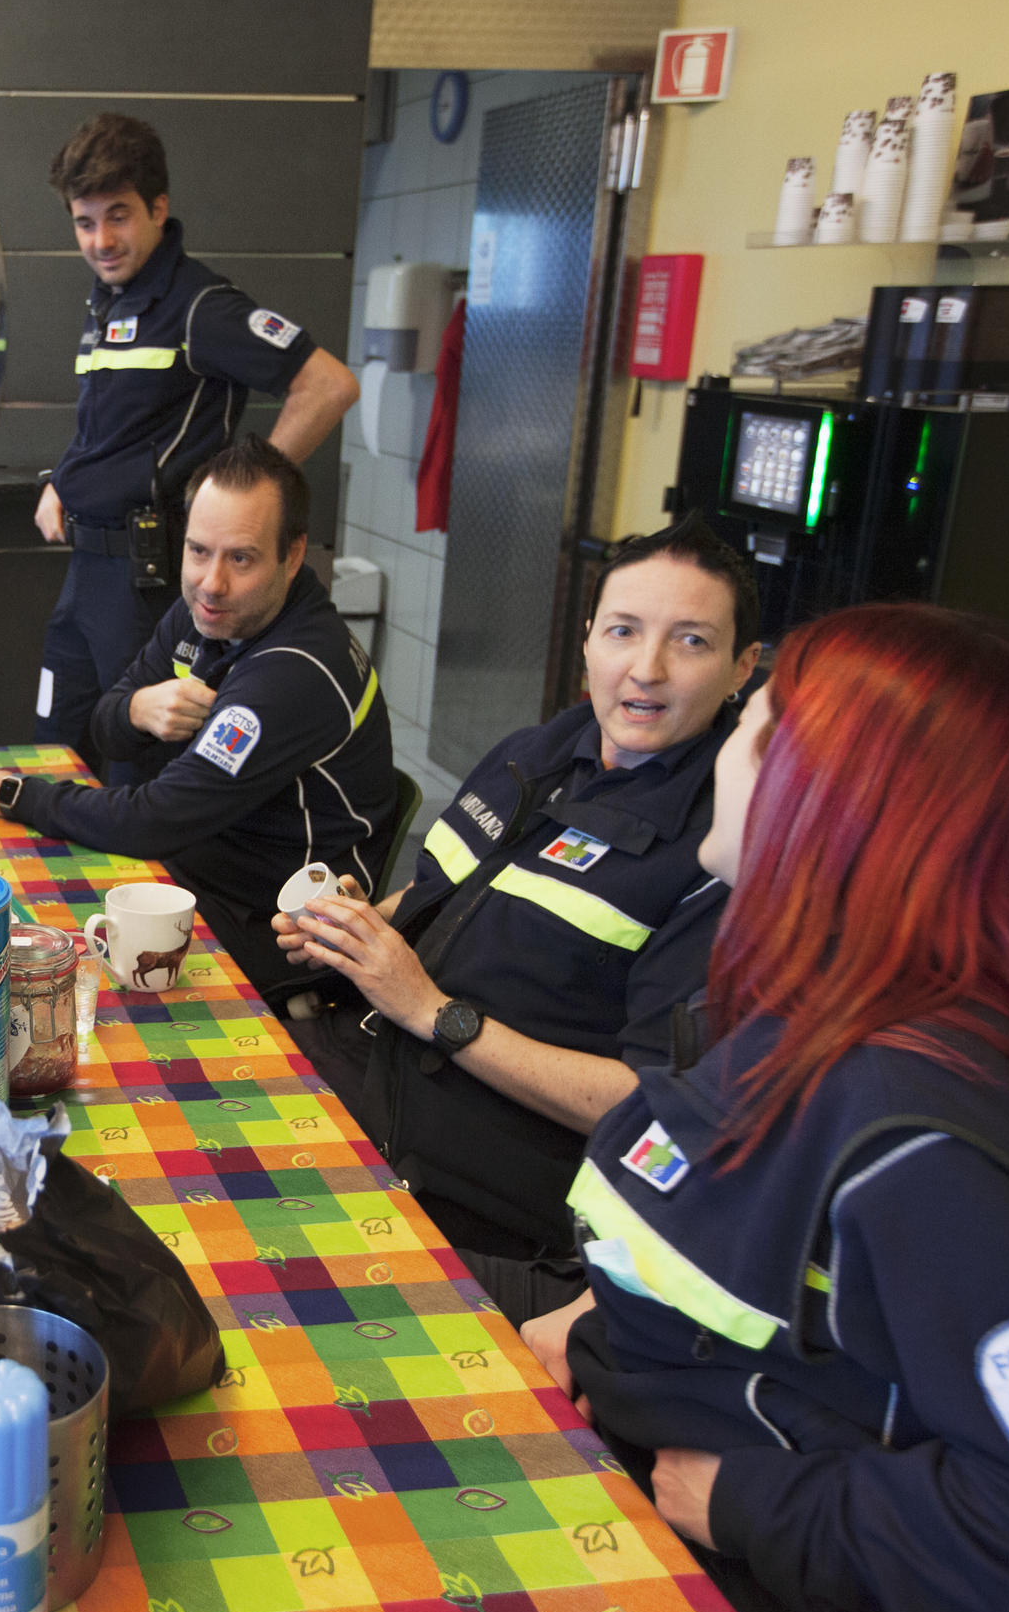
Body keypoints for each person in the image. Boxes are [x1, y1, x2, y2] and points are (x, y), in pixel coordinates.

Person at [518, 604, 1009, 1612]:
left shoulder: (928, 1148)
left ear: (821, 793)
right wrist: (600, 1322)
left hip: (763, 1578)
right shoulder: (810, 1014)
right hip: (634, 1409)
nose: (725, 749)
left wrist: (760, 1503)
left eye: (752, 724)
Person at [278, 518, 760, 1324]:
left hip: (480, 1200)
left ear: (743, 667)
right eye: (623, 631)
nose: (646, 669)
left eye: (692, 642)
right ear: (587, 641)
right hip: (358, 1071)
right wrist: (354, 931)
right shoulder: (542, 749)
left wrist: (433, 1013)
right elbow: (438, 894)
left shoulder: (720, 851)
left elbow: (649, 1110)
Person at [0, 436, 397, 1003]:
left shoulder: (291, 674)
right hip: (197, 864)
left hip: (281, 926)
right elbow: (106, 726)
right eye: (198, 551)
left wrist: (13, 793)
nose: (211, 583)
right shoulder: (209, 615)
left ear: (293, 554)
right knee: (18, 901)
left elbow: (154, 819)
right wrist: (139, 709)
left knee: (46, 977)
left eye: (241, 558)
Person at [30, 113, 362, 782]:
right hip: (85, 573)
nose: (101, 240)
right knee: (54, 748)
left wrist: (245, 494)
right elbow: (115, 426)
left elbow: (329, 385)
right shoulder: (110, 303)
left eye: (118, 216)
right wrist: (64, 478)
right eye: (84, 222)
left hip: (145, 579)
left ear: (159, 208)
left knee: (133, 769)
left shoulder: (201, 306)